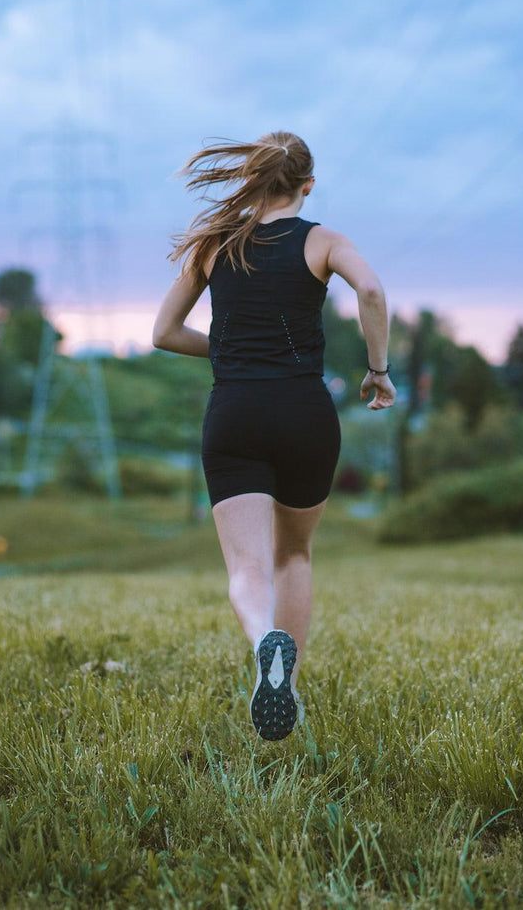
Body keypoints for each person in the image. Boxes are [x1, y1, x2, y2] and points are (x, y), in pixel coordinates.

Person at [152, 130, 395, 740]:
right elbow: (370, 289)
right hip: (304, 411)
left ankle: (266, 644)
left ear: (253, 181)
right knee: (293, 553)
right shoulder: (323, 240)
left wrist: (231, 353)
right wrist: (378, 369)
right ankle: (288, 681)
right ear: (306, 186)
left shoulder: (214, 245)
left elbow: (163, 332)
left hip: (235, 410)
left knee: (246, 567)